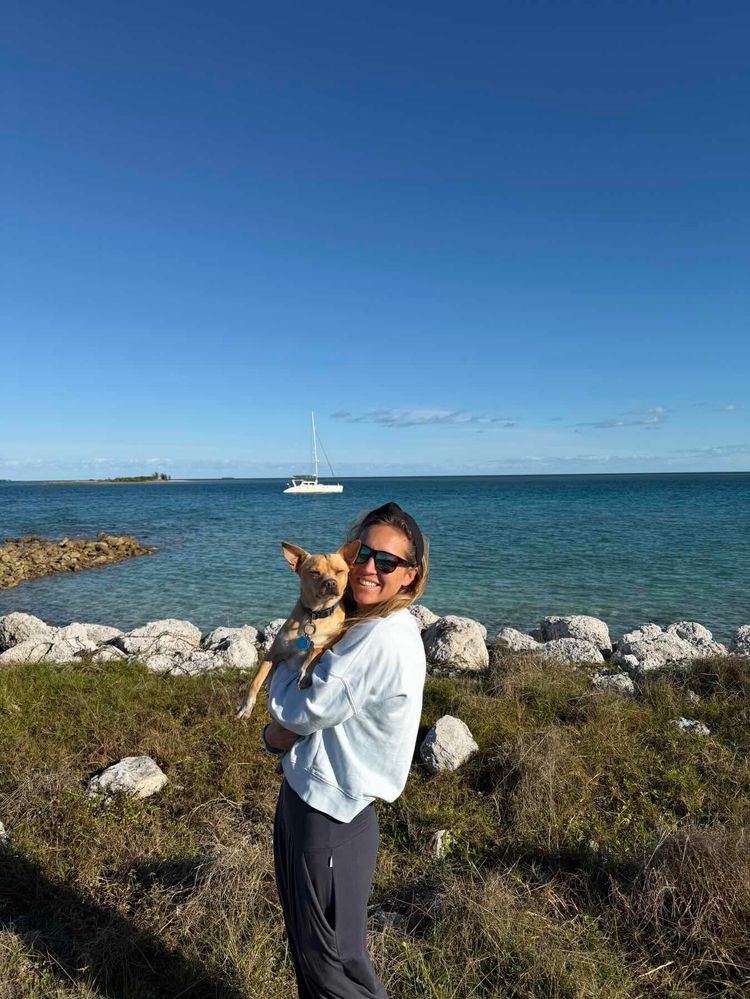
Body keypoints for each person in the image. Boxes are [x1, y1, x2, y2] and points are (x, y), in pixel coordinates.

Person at [263, 501, 428, 998]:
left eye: (387, 562)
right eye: (363, 555)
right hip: (326, 803)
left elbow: (299, 712)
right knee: (341, 956)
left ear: (409, 576)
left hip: (329, 812)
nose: (369, 569)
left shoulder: (379, 636)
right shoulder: (358, 623)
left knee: (327, 966)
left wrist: (274, 731)